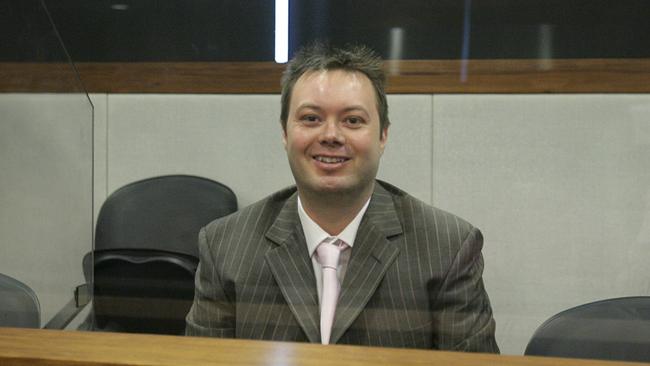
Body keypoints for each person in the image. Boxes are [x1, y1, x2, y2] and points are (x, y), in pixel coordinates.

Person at [185, 43, 499, 352]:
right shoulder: (225, 246)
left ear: (383, 136)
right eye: (311, 118)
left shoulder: (447, 247)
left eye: (352, 120)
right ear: (284, 132)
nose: (331, 135)